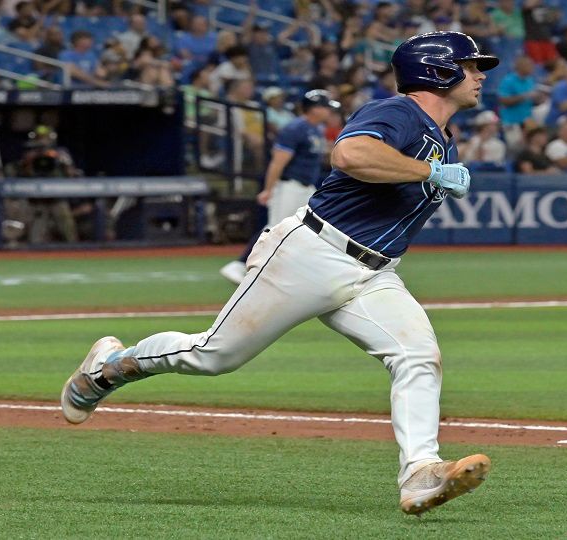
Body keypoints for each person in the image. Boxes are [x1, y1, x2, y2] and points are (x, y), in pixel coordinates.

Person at [61, 31, 494, 516]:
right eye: (472, 65)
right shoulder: (397, 112)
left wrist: (431, 167)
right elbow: (349, 155)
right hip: (312, 252)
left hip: (375, 272)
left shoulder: (442, 140)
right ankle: (109, 367)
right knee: (213, 356)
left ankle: (420, 474)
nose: (480, 75)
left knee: (418, 355)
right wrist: (428, 171)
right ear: (438, 71)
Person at [219, 89, 340, 285]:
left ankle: (303, 270)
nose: (329, 112)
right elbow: (278, 162)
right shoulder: (296, 128)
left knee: (312, 229)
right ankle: (240, 264)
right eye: (326, 107)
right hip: (289, 185)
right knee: (275, 228)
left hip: (306, 187)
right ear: (315, 109)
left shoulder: (315, 129)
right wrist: (268, 189)